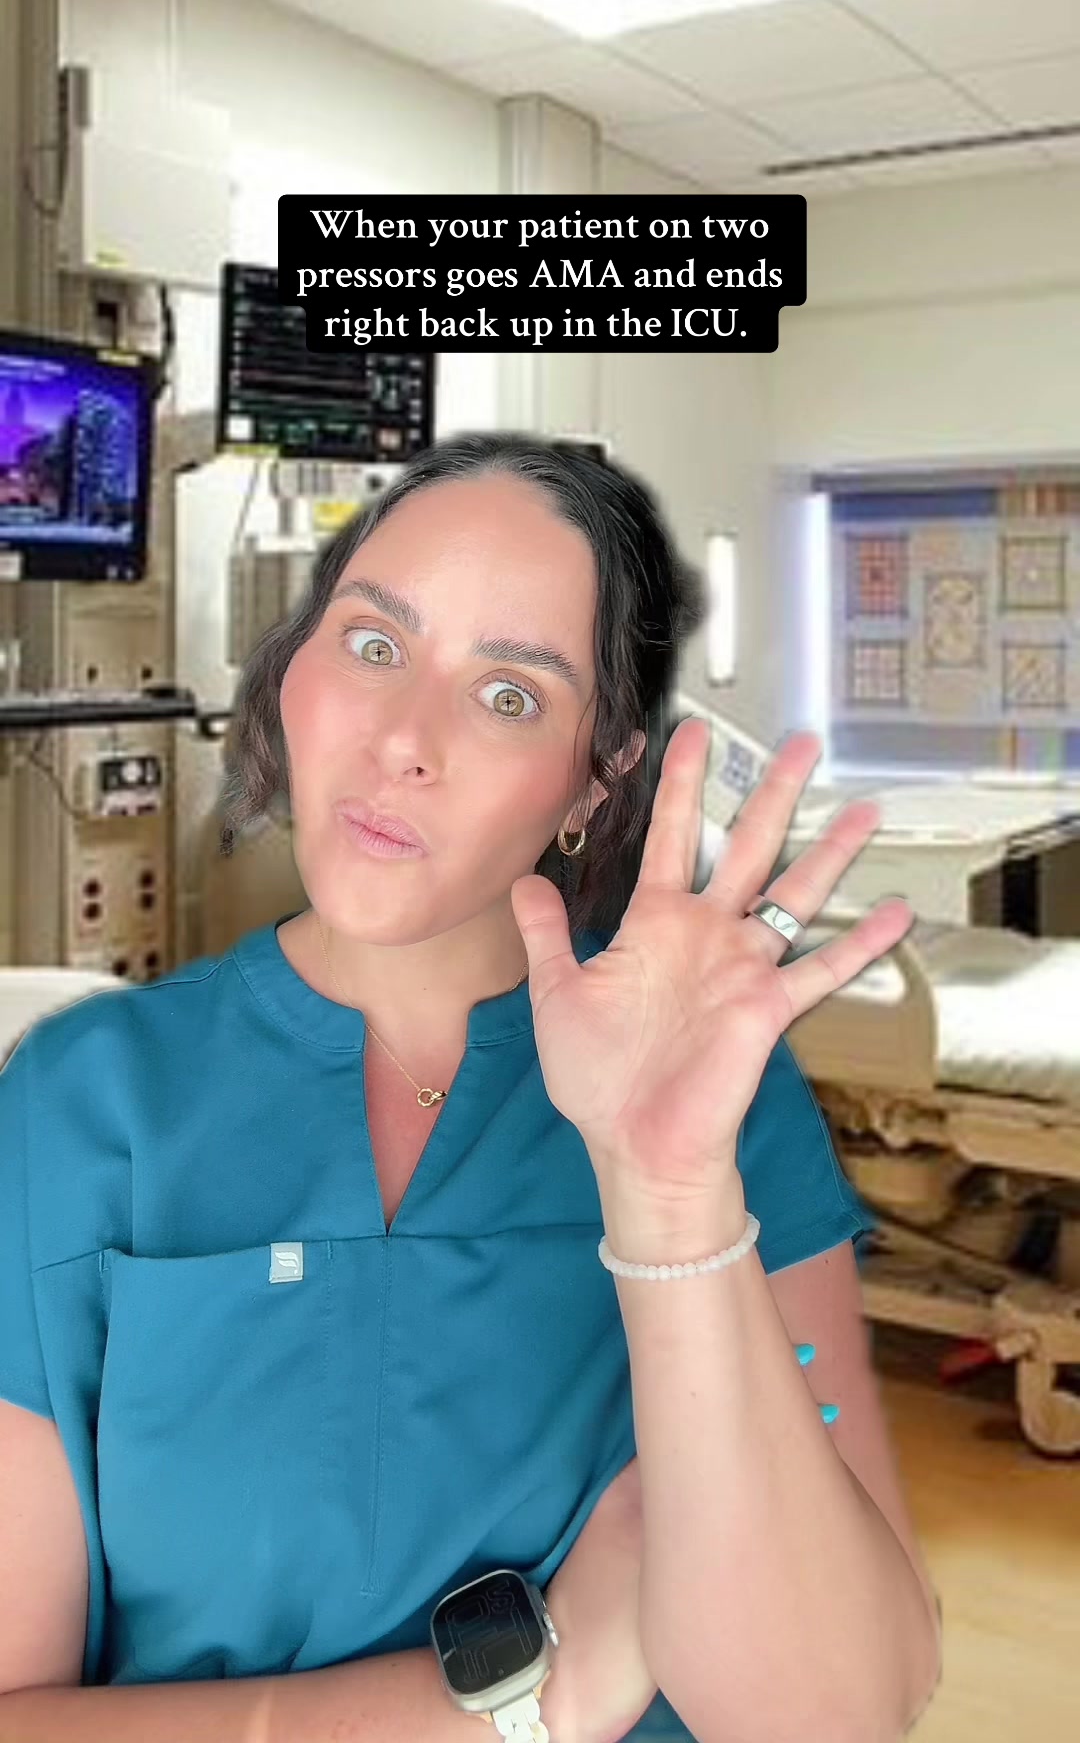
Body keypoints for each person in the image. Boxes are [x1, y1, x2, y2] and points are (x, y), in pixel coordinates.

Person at [0, 432, 931, 1743]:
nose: (402, 740)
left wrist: (669, 1201)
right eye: (373, 644)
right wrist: (520, 1702)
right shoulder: (81, 1104)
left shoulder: (719, 1102)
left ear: (595, 777)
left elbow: (834, 1711)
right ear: (294, 672)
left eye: (508, 694)